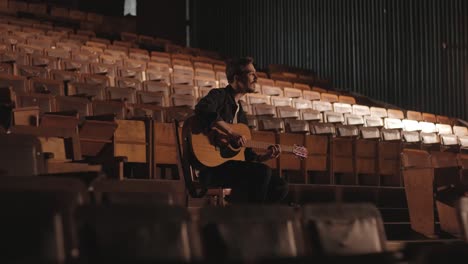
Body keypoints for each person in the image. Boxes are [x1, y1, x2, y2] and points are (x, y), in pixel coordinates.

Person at [194, 57, 288, 204]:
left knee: (280, 185)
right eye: (251, 73)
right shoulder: (219, 96)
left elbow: (247, 156)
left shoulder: (241, 113)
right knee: (262, 173)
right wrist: (231, 132)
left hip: (232, 167)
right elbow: (203, 108)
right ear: (237, 77)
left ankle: (253, 216)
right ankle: (247, 217)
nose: (256, 78)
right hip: (212, 169)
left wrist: (265, 157)